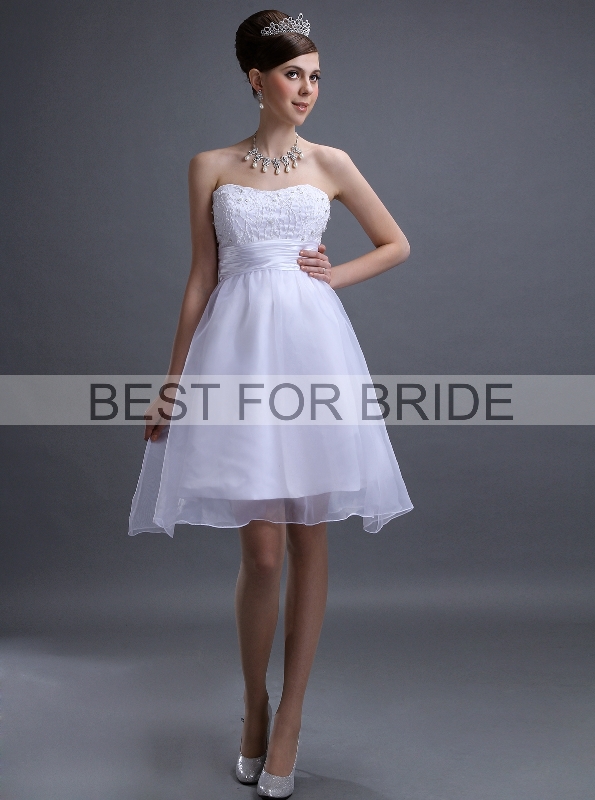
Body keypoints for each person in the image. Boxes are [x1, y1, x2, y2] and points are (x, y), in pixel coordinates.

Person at [128, 9, 413, 797]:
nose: (308, 89)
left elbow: (396, 243)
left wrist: (331, 276)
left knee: (310, 539)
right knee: (260, 551)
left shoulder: (332, 162)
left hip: (313, 354)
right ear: (257, 80)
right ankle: (254, 705)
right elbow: (200, 278)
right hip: (235, 356)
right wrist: (173, 381)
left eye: (316, 76)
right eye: (294, 75)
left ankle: (290, 719)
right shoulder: (209, 166)